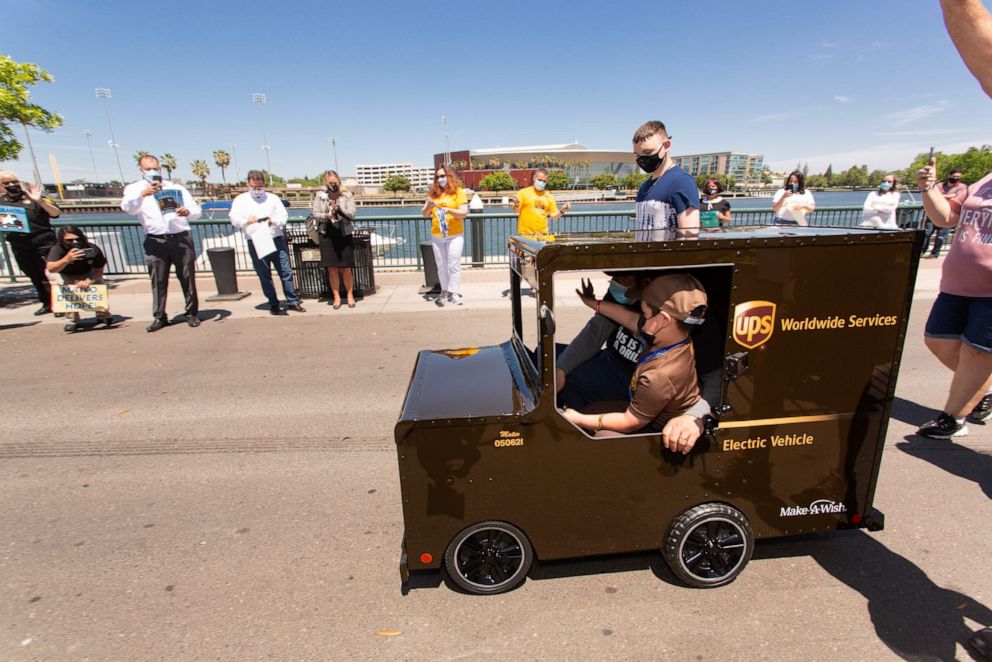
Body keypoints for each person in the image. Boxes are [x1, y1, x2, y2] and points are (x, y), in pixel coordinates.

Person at [557, 271, 722, 453]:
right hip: (643, 398)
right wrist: (593, 303)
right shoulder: (673, 334)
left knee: (600, 431)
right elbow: (627, 317)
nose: (640, 318)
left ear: (662, 320)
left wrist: (577, 418)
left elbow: (630, 421)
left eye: (644, 313)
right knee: (592, 407)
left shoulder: (659, 376)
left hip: (653, 422)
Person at [120, 155, 202, 332]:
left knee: (187, 277)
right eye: (148, 169)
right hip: (155, 240)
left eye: (155, 168)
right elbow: (128, 208)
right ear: (141, 170)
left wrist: (187, 211)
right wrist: (143, 194)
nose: (152, 172)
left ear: (160, 169)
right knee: (158, 280)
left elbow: (197, 211)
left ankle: (191, 313)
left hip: (180, 237)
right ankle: (159, 316)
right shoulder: (134, 189)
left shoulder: (176, 188)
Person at [230, 170, 305, 315]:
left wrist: (273, 221)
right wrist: (246, 221)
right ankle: (273, 303)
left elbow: (283, 217)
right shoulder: (240, 200)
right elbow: (234, 218)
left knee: (286, 271)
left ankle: (292, 301)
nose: (257, 190)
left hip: (275, 239)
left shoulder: (273, 198)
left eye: (260, 187)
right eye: (254, 187)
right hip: (256, 241)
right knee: (264, 275)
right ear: (248, 184)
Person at [0, 169, 61, 315]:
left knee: (51, 275)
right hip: (20, 244)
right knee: (34, 275)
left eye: (14, 181)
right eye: (7, 183)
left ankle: (60, 304)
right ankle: (47, 303)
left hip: (43, 241)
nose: (11, 185)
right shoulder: (2, 202)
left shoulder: (33, 195)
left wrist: (39, 200)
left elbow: (55, 213)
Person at [632, 121, 700, 235]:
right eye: (637, 155)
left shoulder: (682, 181)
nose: (642, 159)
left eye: (648, 152)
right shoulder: (645, 186)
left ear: (666, 145)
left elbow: (689, 236)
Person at [45, 225, 112, 333]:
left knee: (99, 285)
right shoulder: (58, 249)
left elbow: (99, 269)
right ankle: (72, 320)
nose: (74, 242)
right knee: (66, 287)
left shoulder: (92, 248)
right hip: (63, 272)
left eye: (77, 239)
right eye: (69, 240)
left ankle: (103, 315)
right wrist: (67, 259)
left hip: (87, 272)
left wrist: (89, 280)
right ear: (62, 240)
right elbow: (51, 268)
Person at [422, 165, 468, 306]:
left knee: (453, 264)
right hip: (437, 235)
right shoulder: (433, 194)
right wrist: (428, 207)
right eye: (438, 177)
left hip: (455, 235)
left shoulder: (458, 192)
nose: (440, 179)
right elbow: (424, 214)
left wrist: (449, 210)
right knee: (441, 265)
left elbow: (464, 213)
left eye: (443, 176)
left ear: (450, 177)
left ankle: (454, 292)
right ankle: (444, 291)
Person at [313, 170, 358, 309]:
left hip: (343, 233)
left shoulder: (346, 195)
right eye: (330, 183)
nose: (333, 185)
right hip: (327, 233)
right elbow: (315, 213)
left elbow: (352, 214)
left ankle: (350, 295)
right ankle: (336, 296)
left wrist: (338, 209)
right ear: (326, 182)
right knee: (332, 268)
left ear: (339, 181)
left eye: (335, 182)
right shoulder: (320, 196)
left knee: (346, 268)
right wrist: (327, 215)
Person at [511, 168, 571, 235]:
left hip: (542, 235)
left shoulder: (549, 196)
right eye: (539, 180)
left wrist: (562, 211)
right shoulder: (522, 193)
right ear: (534, 178)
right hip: (525, 235)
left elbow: (553, 216)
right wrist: (516, 205)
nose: (541, 183)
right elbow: (515, 212)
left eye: (544, 181)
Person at [922, 169, 966, 258]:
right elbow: (932, 194)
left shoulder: (962, 187)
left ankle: (935, 253)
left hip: (949, 214)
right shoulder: (939, 185)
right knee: (927, 233)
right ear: (949, 176)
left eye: (958, 177)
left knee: (941, 236)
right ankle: (922, 251)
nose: (956, 178)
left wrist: (940, 196)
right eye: (954, 176)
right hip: (933, 213)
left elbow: (956, 198)